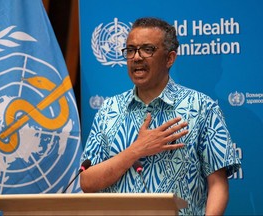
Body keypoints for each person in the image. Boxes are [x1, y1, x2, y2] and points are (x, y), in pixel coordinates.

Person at [80, 17, 241, 215]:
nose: (136, 57)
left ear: (169, 58)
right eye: (130, 50)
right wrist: (136, 150)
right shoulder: (108, 110)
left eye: (147, 49)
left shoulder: (202, 107)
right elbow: (87, 182)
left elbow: (218, 185)